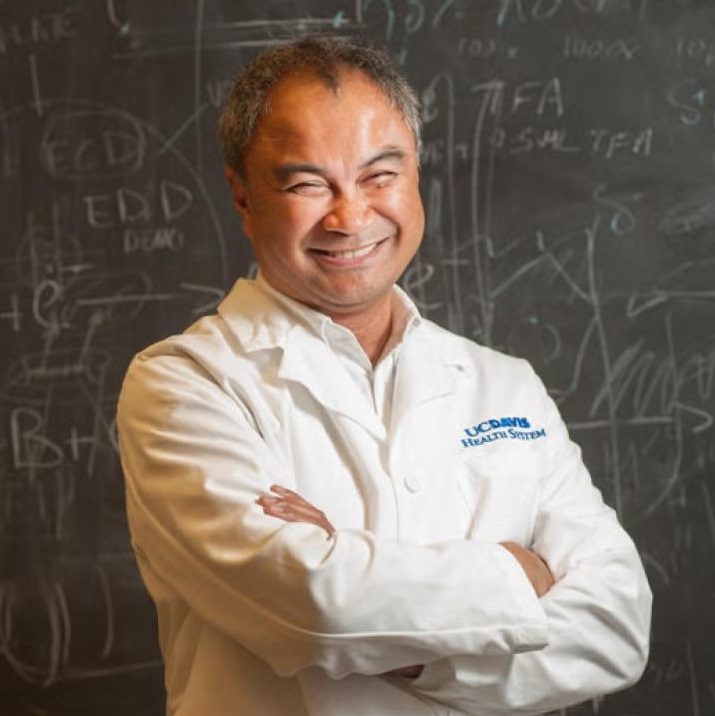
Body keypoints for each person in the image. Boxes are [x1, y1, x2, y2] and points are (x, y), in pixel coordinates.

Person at [117, 36, 652, 716]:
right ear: (243, 196)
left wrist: (350, 567)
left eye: (378, 175)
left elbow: (616, 629)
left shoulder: (504, 385)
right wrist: (519, 575)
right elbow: (311, 608)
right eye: (307, 183)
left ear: (415, 172)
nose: (350, 217)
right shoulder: (184, 385)